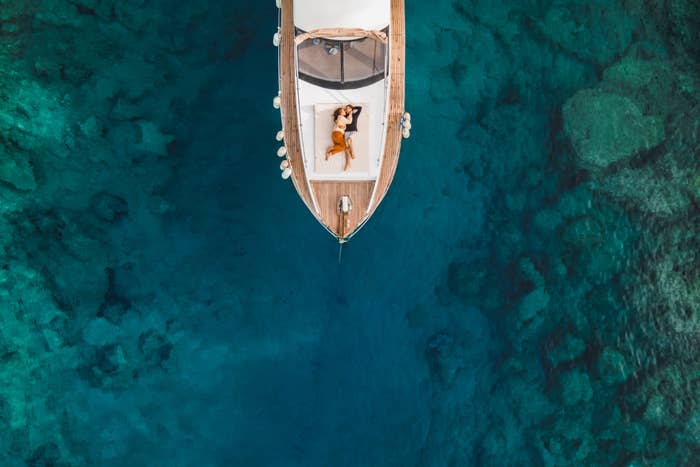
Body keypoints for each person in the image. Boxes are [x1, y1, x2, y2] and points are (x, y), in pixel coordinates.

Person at [326, 106, 354, 170]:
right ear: (340, 113)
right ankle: (331, 149)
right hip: (338, 134)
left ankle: (330, 153)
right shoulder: (341, 117)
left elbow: (340, 124)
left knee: (339, 147)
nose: (345, 111)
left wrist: (344, 127)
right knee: (344, 147)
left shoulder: (339, 118)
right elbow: (349, 121)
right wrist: (350, 114)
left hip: (335, 134)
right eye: (343, 110)